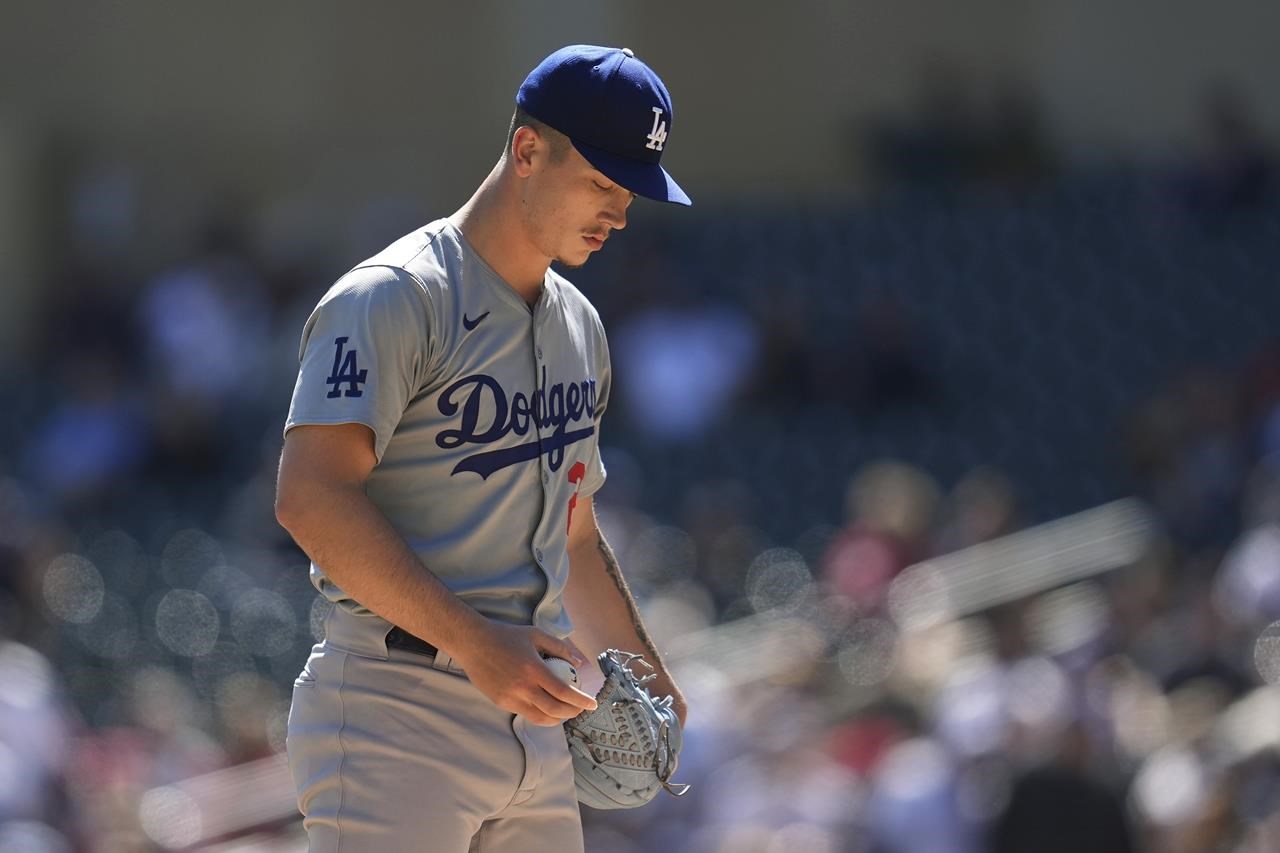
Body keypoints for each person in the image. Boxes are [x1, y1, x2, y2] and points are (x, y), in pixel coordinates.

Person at [275, 45, 691, 852]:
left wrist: (652, 672)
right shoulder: (394, 296)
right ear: (528, 151)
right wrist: (473, 641)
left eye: (632, 192)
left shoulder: (581, 325)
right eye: (603, 181)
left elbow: (573, 528)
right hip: (394, 706)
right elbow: (310, 497)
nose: (620, 211)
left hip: (532, 719)